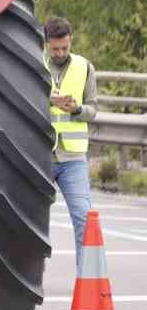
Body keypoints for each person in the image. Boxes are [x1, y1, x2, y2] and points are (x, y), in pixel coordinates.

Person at [45, 16, 98, 261]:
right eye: (55, 48)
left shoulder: (84, 67)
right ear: (46, 44)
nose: (60, 52)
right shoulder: (31, 65)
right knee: (28, 222)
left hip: (73, 158)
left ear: (70, 41)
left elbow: (93, 109)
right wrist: (48, 100)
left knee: (84, 219)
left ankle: (86, 278)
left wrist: (76, 110)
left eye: (64, 47)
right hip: (40, 156)